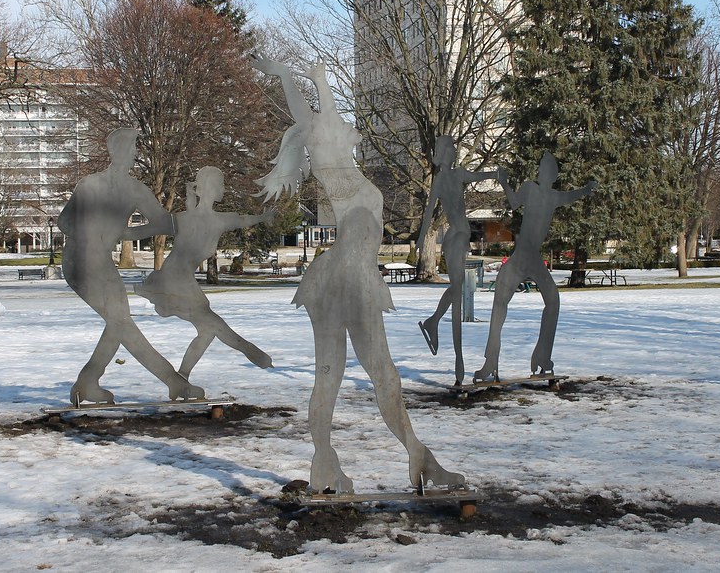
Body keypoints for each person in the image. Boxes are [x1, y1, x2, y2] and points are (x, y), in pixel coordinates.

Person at [252, 54, 464, 494]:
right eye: (335, 116)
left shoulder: (336, 160)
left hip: (339, 278)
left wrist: (303, 78)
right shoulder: (330, 152)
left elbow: (319, 114)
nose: (347, 123)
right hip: (350, 281)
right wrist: (302, 78)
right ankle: (404, 457)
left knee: (338, 374)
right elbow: (316, 114)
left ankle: (339, 461)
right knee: (373, 375)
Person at [57, 128, 204, 404]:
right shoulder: (91, 184)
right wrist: (101, 232)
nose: (136, 153)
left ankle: (89, 382)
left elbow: (163, 223)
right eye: (133, 147)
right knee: (120, 322)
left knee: (119, 322)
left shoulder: (130, 189)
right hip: (79, 261)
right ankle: (172, 382)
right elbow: (64, 223)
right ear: (119, 151)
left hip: (97, 260)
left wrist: (124, 234)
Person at [136, 166, 274, 379]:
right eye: (221, 184)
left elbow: (243, 219)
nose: (224, 189)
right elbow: (146, 229)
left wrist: (264, 218)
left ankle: (182, 376)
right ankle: (253, 353)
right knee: (212, 324)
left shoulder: (217, 219)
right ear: (211, 187)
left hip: (182, 281)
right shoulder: (186, 219)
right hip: (173, 281)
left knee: (208, 329)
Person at [475, 153, 595, 382]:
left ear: (552, 175)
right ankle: (491, 363)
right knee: (500, 305)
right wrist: (503, 182)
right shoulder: (532, 189)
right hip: (522, 257)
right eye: (542, 169)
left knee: (550, 301)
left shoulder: (553, 196)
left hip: (530, 258)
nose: (543, 173)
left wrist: (587, 189)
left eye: (546, 170)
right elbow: (513, 201)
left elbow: (572, 195)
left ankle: (541, 356)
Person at [415, 135, 497, 385]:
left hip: (459, 236)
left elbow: (480, 177)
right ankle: (458, 362)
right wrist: (420, 241)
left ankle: (433, 322)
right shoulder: (440, 180)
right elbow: (429, 212)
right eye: (449, 150)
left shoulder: (458, 174)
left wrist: (497, 173)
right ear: (442, 154)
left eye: (453, 151)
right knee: (458, 295)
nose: (452, 154)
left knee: (456, 289)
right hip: (455, 238)